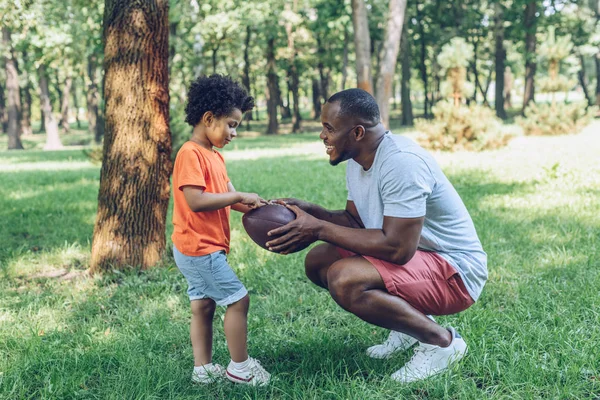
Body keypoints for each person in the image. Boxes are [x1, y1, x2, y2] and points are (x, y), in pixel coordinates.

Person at [266, 88, 487, 383]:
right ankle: (408, 329)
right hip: (422, 260)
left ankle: (441, 344)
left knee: (346, 278)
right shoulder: (360, 159)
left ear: (357, 132)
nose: (322, 135)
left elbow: (397, 249)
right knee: (319, 261)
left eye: (329, 128)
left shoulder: (401, 162)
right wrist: (313, 212)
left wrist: (318, 228)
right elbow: (356, 222)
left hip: (457, 273)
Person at [171, 75, 271, 386]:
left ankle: (202, 369)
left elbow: (228, 199)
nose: (234, 132)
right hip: (199, 248)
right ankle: (240, 368)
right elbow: (197, 201)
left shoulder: (215, 156)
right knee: (238, 300)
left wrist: (261, 206)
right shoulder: (190, 153)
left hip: (200, 247)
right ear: (208, 118)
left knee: (202, 305)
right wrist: (239, 196)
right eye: (231, 124)